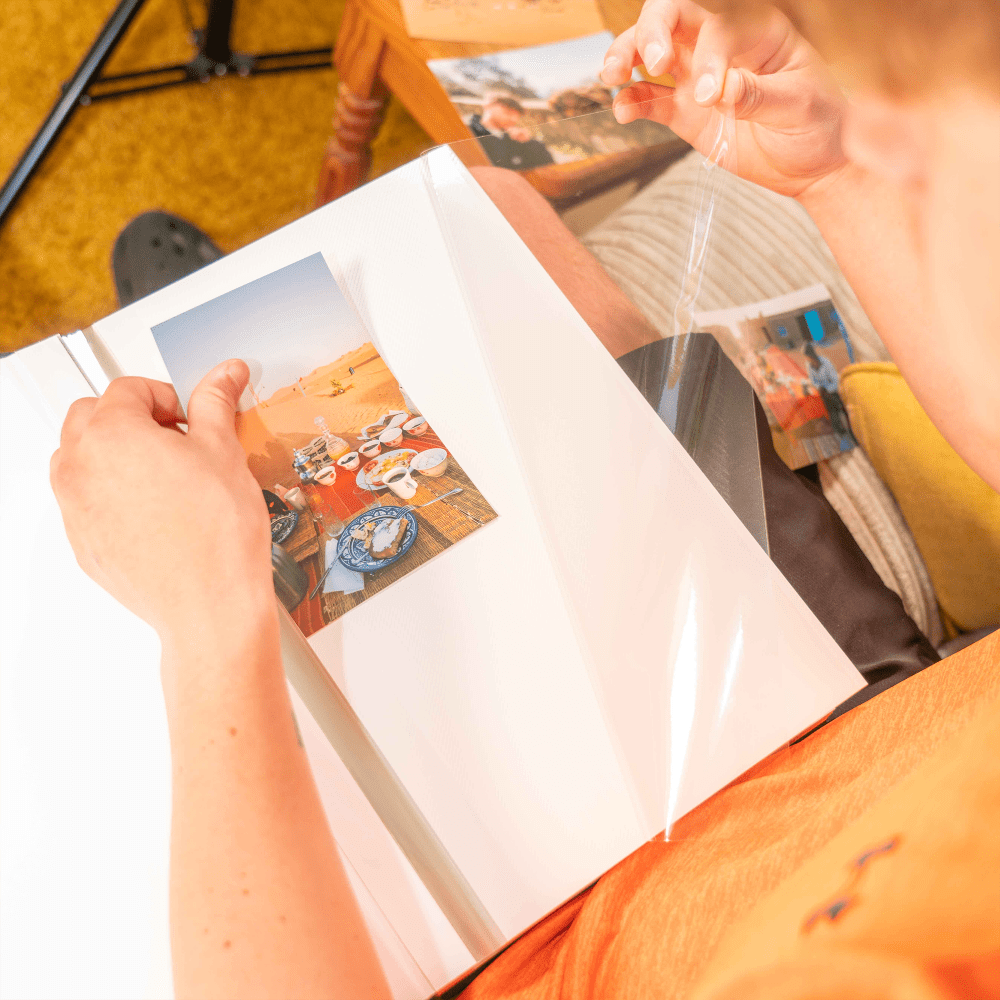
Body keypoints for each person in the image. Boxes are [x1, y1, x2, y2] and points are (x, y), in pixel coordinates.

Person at [49, 1, 999, 997]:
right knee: (486, 205)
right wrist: (839, 172)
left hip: (528, 943)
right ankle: (240, 354)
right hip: (854, 718)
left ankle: (194, 367)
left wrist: (206, 618)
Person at [467, 94, 555, 171]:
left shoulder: (515, 139)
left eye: (517, 115)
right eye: (508, 112)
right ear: (488, 105)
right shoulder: (466, 131)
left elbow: (548, 166)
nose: (514, 119)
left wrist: (529, 142)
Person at [802, 339, 853, 446]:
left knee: (843, 411)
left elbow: (835, 380)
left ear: (811, 355)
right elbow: (813, 381)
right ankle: (840, 434)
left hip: (834, 391)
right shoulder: (809, 366)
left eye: (806, 356)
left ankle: (852, 430)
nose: (806, 359)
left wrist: (827, 389)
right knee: (832, 413)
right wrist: (819, 387)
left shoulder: (826, 363)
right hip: (823, 393)